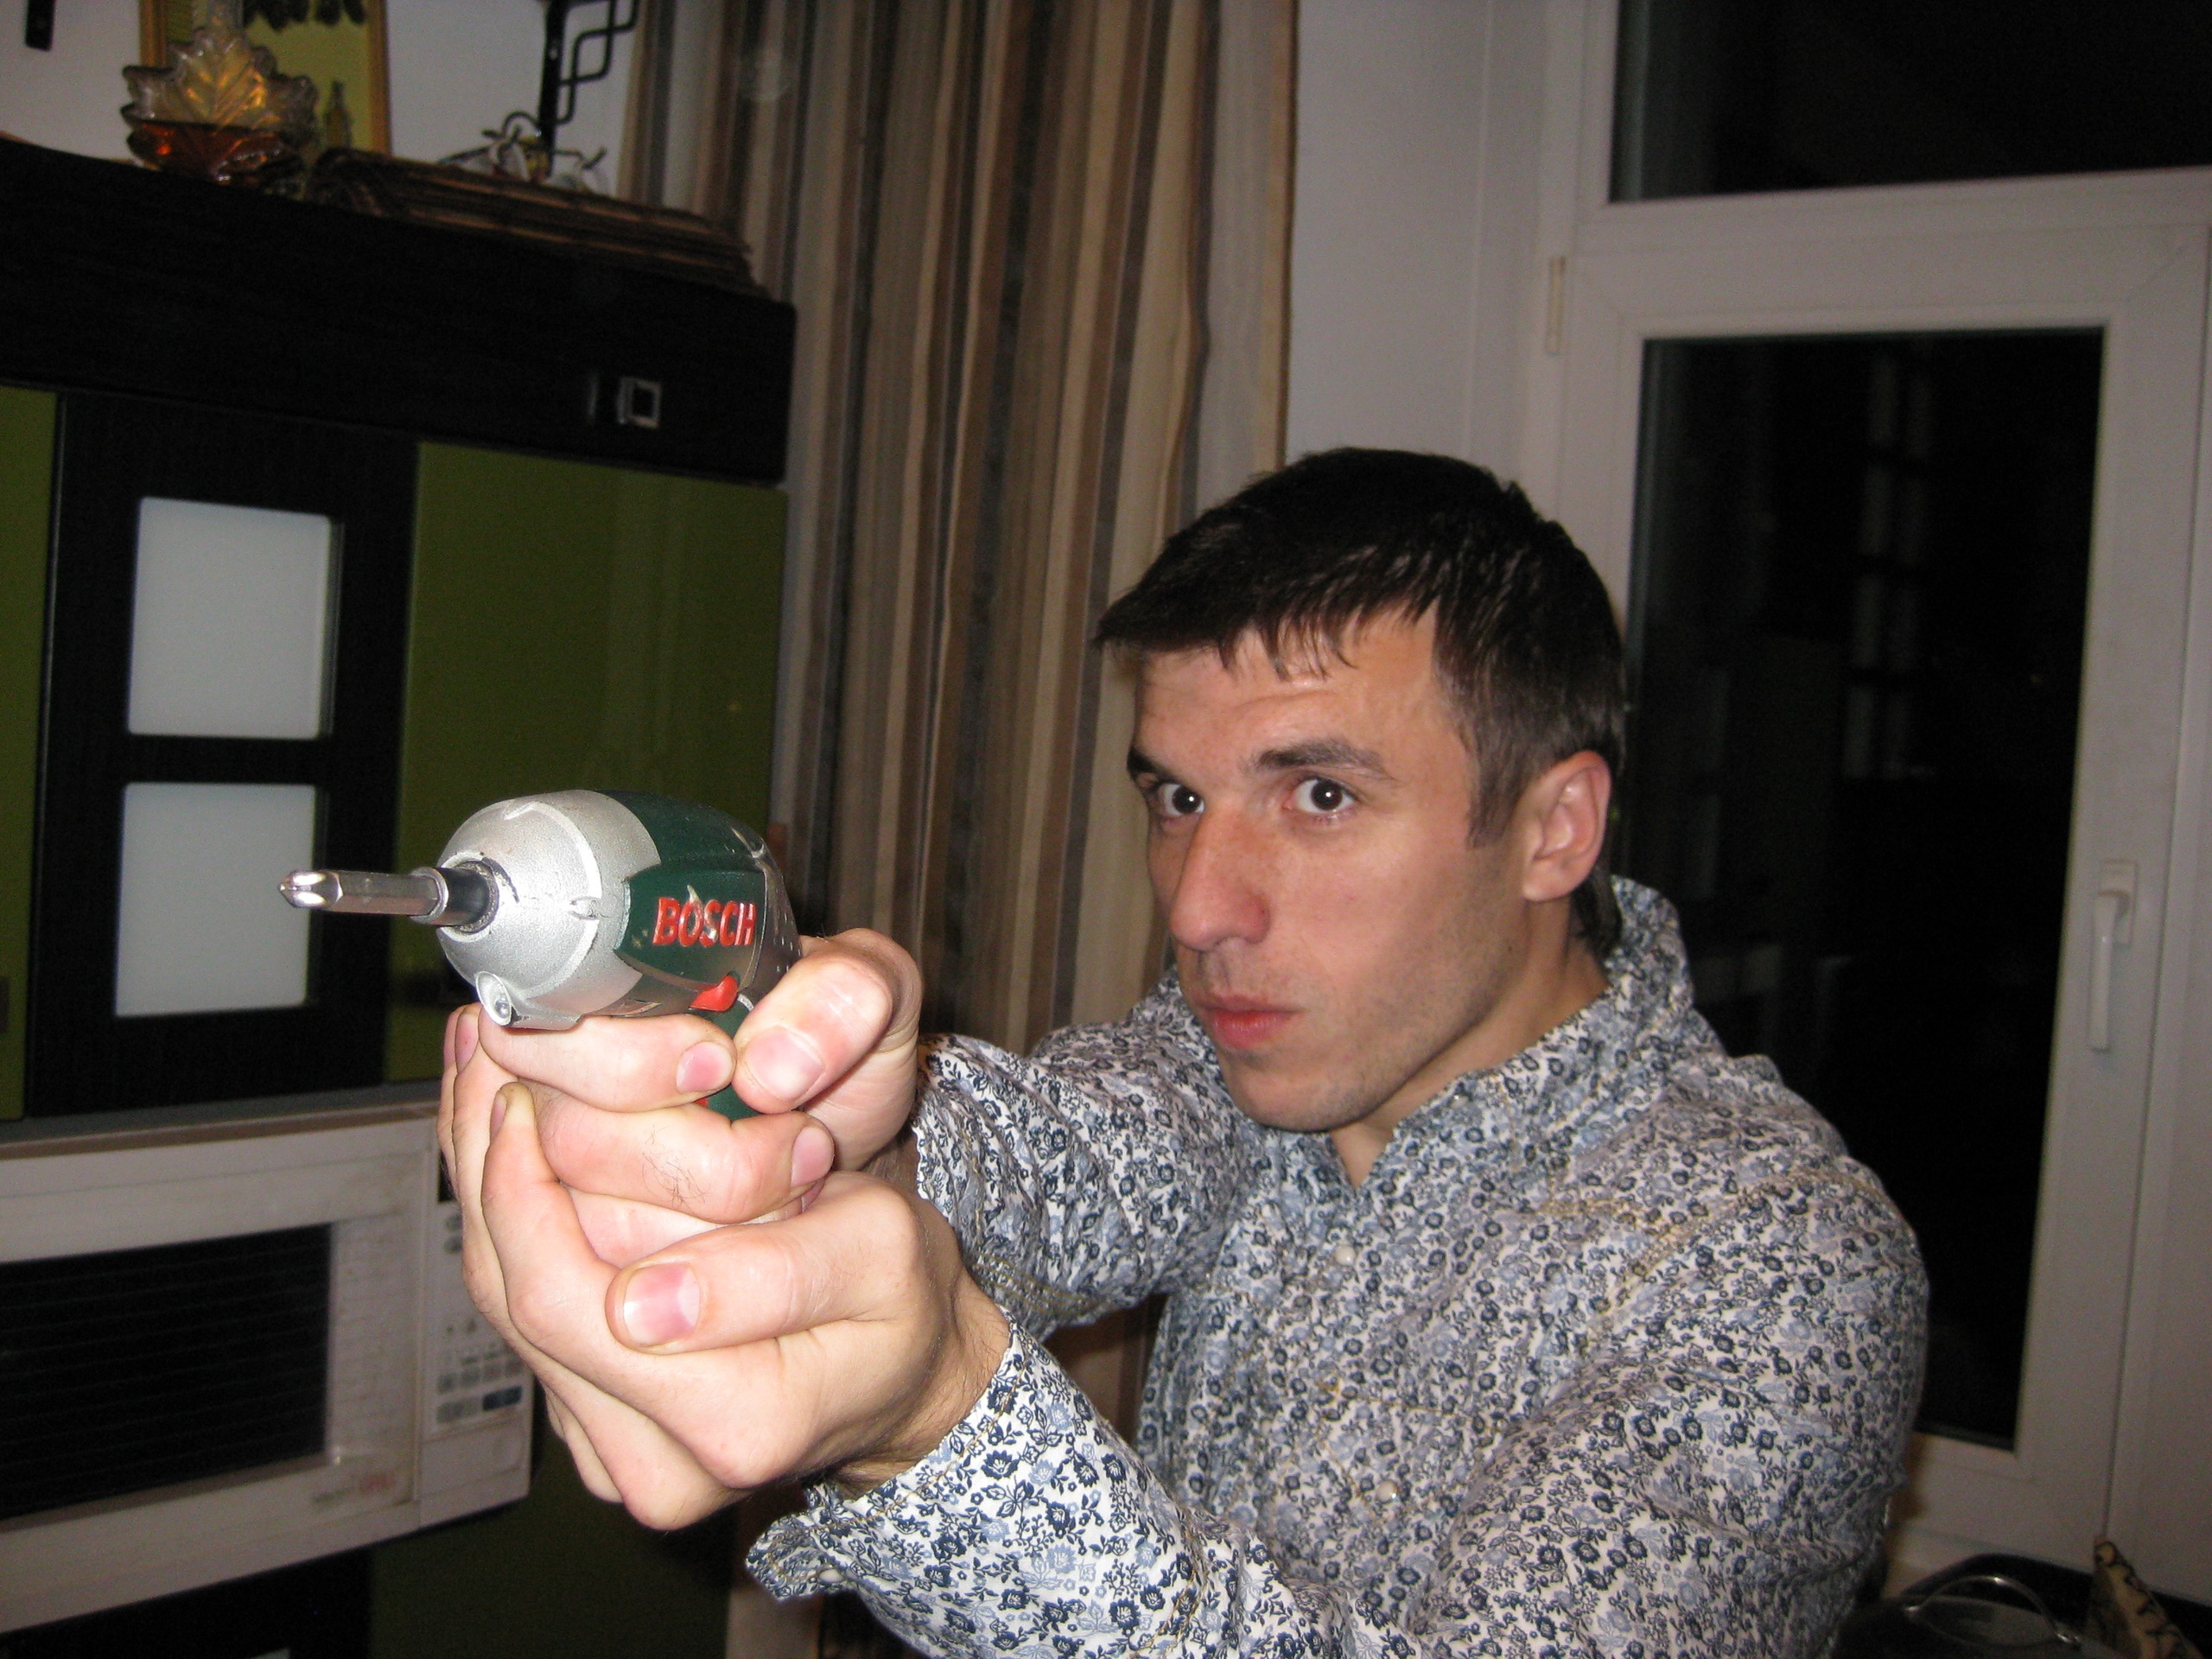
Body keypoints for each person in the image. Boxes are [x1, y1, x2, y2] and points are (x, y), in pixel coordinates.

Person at [438, 449, 1928, 1656]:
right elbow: (1064, 1158)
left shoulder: (1776, 1270)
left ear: (1555, 828)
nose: (1203, 910)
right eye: (1178, 799)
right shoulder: (1251, 1053)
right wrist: (828, 1123)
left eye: (1320, 797)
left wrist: (937, 1425)